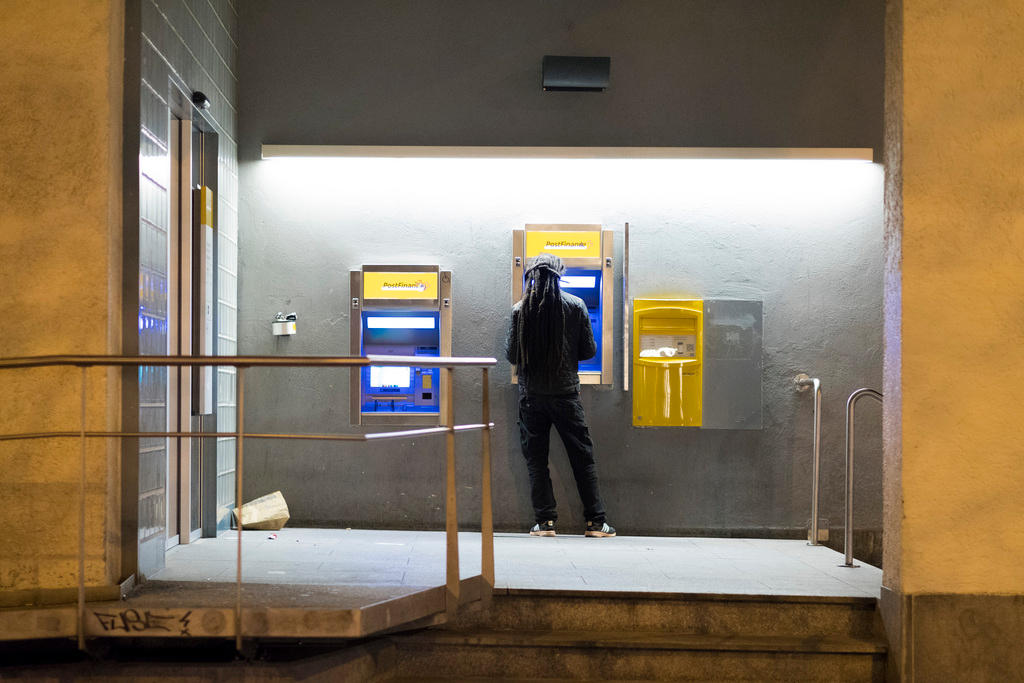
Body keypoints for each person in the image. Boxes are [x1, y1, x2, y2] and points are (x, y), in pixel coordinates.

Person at [506, 253, 616, 538]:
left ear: (531, 275)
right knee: (582, 458)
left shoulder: (521, 309)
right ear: (559, 275)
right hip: (566, 396)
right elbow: (589, 351)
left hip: (531, 398)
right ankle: (595, 523)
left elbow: (512, 355)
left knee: (536, 461)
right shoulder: (576, 305)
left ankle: (545, 523)